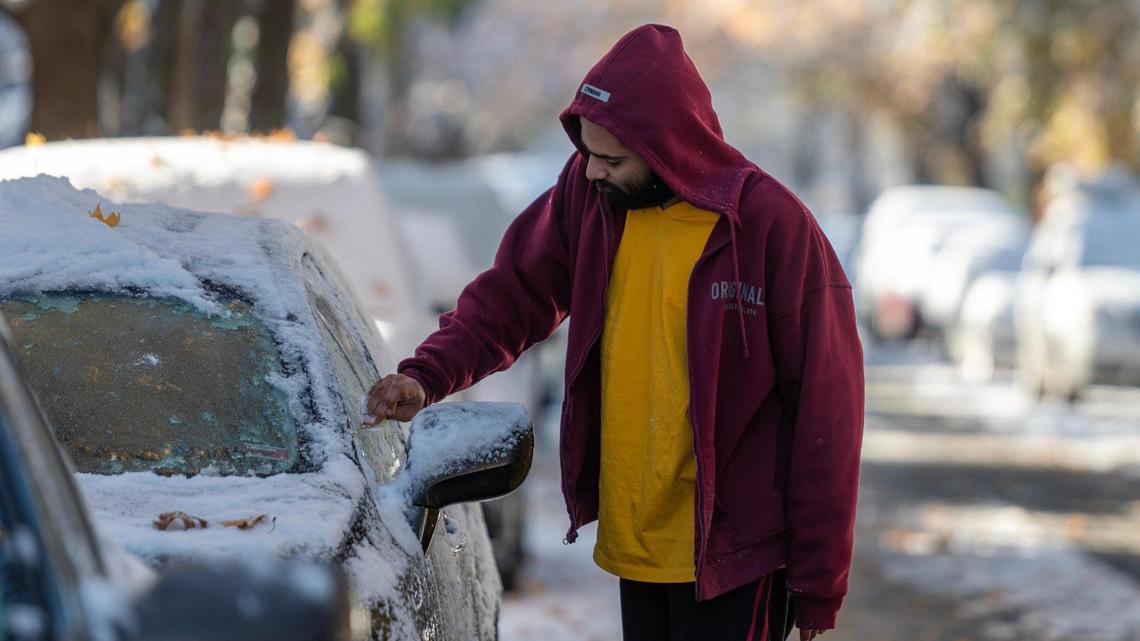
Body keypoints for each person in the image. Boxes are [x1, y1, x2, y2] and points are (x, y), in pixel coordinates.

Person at [366, 23, 864, 641]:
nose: (592, 169)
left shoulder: (768, 227)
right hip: (638, 546)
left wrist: (818, 583)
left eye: (611, 158)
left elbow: (828, 411)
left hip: (739, 560)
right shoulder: (589, 198)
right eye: (587, 153)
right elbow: (512, 294)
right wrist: (426, 375)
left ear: (668, 148)